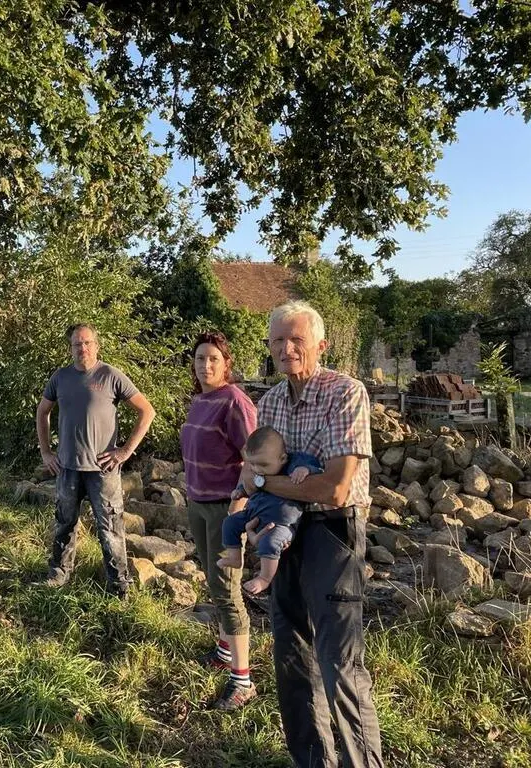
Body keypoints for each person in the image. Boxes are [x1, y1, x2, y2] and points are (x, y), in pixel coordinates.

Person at [243, 300, 384, 768]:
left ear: (321, 345)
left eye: (296, 339)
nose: (286, 349)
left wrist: (264, 484)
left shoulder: (345, 393)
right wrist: (259, 500)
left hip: (332, 530)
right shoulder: (269, 403)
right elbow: (249, 477)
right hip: (284, 533)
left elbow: (335, 488)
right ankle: (311, 760)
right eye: (278, 341)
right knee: (291, 655)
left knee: (340, 663)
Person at [36, 323, 156, 599]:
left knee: (111, 528)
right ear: (71, 348)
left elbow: (147, 411)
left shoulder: (111, 375)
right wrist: (46, 452)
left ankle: (119, 587)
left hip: (103, 470)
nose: (83, 348)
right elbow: (43, 412)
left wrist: (125, 451)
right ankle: (59, 574)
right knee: (65, 523)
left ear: (97, 345)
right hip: (67, 467)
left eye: (87, 342)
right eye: (77, 344)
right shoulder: (60, 377)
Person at [179, 330, 258, 710]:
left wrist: (239, 504)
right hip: (198, 503)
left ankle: (242, 681)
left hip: (224, 510)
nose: (205, 365)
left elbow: (255, 458)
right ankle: (225, 652)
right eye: (200, 358)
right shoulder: (200, 400)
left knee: (227, 590)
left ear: (227, 364)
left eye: (213, 359)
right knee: (214, 581)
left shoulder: (234, 402)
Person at [218, 426, 322, 594]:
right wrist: (240, 492)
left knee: (271, 542)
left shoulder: (295, 462)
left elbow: (318, 469)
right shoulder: (259, 471)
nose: (257, 469)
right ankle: (234, 557)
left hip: (280, 524)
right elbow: (249, 486)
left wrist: (305, 470)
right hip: (252, 514)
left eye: (263, 465)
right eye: (252, 464)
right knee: (229, 523)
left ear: (282, 458)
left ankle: (264, 578)